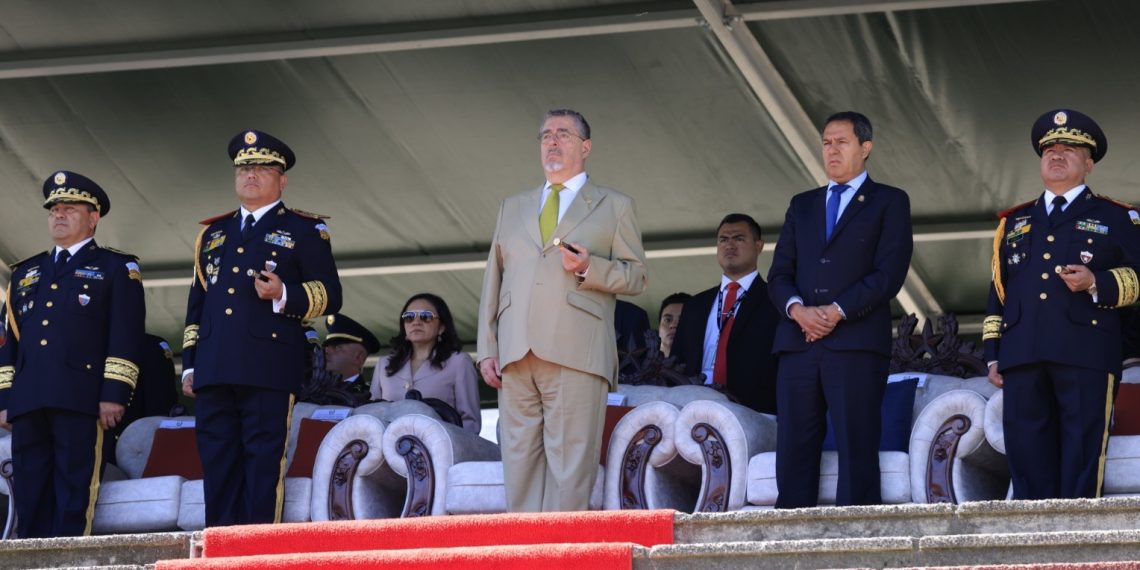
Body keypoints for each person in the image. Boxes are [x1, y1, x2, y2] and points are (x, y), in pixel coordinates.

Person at [476, 108, 648, 512]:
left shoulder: (614, 205)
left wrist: (591, 267)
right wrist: (487, 346)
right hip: (516, 353)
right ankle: (526, 554)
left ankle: (563, 552)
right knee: (518, 468)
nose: (552, 141)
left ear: (585, 147)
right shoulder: (512, 205)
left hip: (577, 352)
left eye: (564, 134)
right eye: (546, 135)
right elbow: (492, 280)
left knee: (571, 471)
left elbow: (637, 276)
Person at [181, 129, 342, 526]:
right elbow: (197, 303)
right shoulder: (213, 234)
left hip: (267, 364)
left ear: (282, 179)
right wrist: (189, 363)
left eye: (262, 167)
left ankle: (255, 553)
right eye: (244, 168)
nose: (251, 175)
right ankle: (220, 550)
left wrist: (285, 292)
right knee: (217, 464)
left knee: (262, 464)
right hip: (215, 366)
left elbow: (330, 295)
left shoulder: (306, 230)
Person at [984, 109, 1140, 499]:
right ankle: (1032, 553)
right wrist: (992, 353)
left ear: (1088, 164)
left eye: (1070, 148)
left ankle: (1076, 549)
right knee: (1026, 460)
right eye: (1050, 149)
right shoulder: (1015, 221)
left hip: (1086, 352)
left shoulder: (1118, 217)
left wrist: (1096, 282)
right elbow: (999, 289)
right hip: (1022, 354)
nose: (1057, 154)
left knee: (1080, 460)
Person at [768, 111, 913, 508]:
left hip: (855, 343)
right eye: (826, 142)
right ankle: (790, 540)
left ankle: (858, 536)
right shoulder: (802, 205)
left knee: (856, 442)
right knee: (794, 445)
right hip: (798, 342)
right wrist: (799, 310)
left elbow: (889, 273)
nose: (831, 150)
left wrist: (835, 311)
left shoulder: (889, 202)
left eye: (841, 142)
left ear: (866, 148)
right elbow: (779, 274)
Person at [0, 170, 145, 537]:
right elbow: (8, 342)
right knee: (30, 490)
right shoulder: (26, 272)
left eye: (70, 208)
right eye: (54, 209)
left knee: (73, 490)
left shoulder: (116, 268)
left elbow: (125, 335)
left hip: (81, 398)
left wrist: (114, 393)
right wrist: (5, 398)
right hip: (29, 400)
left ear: (93, 218)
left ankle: (69, 560)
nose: (59, 215)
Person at [673, 214, 780, 413]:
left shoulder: (776, 301)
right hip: (691, 408)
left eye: (739, 238)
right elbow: (677, 361)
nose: (729, 245)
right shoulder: (695, 305)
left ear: (759, 246)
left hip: (753, 410)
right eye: (723, 240)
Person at [371, 294, 481, 433]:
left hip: (442, 451)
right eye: (409, 317)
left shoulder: (459, 362)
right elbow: (371, 416)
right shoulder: (383, 364)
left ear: (441, 327)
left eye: (426, 316)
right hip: (388, 450)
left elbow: (470, 422)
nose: (416, 322)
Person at [323, 313, 381, 398]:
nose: (326, 351)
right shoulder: (312, 392)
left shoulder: (370, 396)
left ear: (358, 357)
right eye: (326, 346)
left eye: (337, 347)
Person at [657, 292, 691, 358]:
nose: (674, 325)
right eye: (668, 320)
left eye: (682, 320)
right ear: (659, 328)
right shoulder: (641, 365)